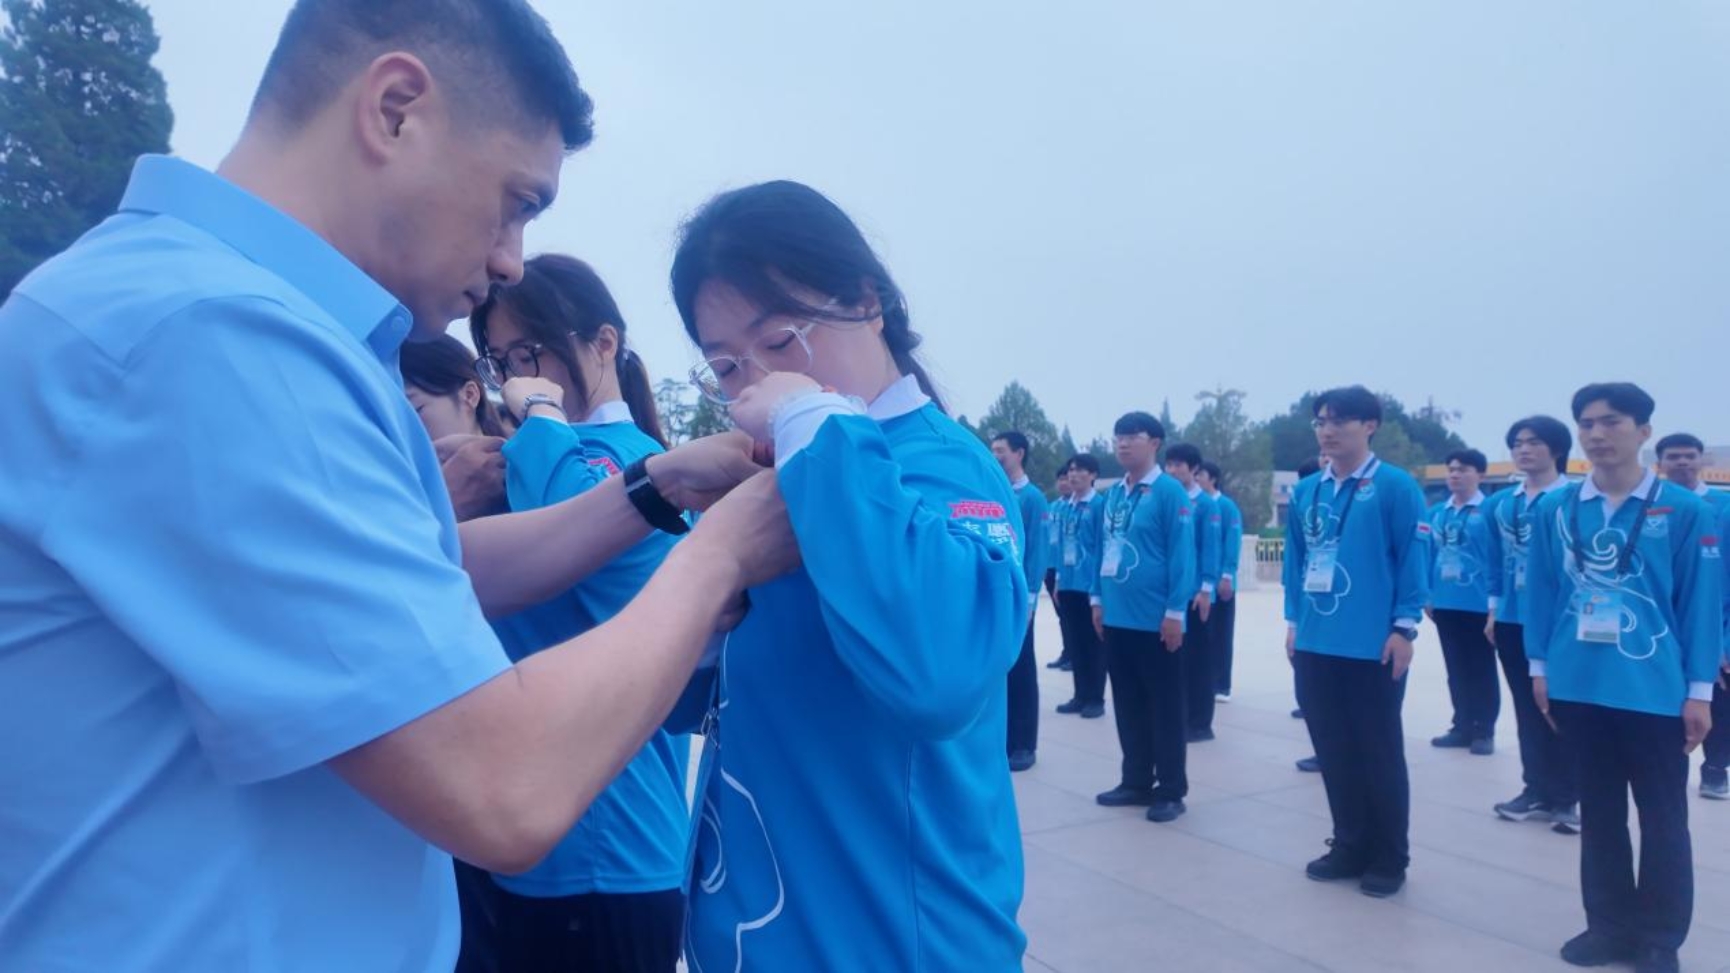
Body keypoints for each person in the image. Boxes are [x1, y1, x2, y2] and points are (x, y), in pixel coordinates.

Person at [0, 4, 799, 969]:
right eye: (516, 201)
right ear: (394, 109)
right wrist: (721, 555)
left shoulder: (200, 311)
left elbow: (432, 569)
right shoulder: (209, 336)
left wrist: (654, 485)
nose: (509, 258)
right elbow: (500, 783)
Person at [669, 180, 1029, 970]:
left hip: (888, 940)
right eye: (725, 365)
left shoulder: (941, 467)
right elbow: (689, 700)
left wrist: (810, 417)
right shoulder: (776, 479)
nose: (757, 385)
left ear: (868, 301)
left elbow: (938, 676)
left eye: (781, 340)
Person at [455, 253, 691, 973]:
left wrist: (541, 411)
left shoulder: (631, 462)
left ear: (604, 343)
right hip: (532, 839)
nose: (513, 377)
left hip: (608, 848)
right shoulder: (537, 454)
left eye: (529, 352)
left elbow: (576, 521)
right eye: (500, 360)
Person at [1526, 383, 1723, 973]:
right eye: (1586, 423)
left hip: (1655, 692)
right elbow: (1540, 592)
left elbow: (1701, 606)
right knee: (1600, 813)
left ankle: (1659, 937)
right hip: (1578, 687)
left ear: (1643, 432)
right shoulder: (1556, 508)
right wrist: (1540, 668)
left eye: (1611, 422)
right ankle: (1607, 927)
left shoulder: (1685, 510)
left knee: (1663, 818)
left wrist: (1699, 692)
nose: (1596, 434)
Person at [1284, 386, 1428, 898]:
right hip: (1316, 641)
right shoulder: (1306, 491)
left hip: (1373, 645)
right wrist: (1293, 622)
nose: (1327, 430)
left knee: (1378, 752)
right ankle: (1349, 843)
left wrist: (1404, 627)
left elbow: (1413, 558)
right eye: (1321, 421)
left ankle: (1390, 856)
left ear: (1369, 426)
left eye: (1339, 421)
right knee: (1334, 750)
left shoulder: (1395, 486)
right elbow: (1296, 562)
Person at [1091, 412, 1198, 824]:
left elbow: (1182, 555)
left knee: (1165, 708)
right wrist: (1097, 600)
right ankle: (1135, 780)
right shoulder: (1113, 495)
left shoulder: (1170, 493)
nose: (1122, 443)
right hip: (1117, 618)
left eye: (1131, 436)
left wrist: (1175, 612)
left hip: (1156, 622)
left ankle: (1170, 789)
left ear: (1154, 442)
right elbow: (1102, 548)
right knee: (1128, 704)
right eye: (1117, 436)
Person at [1484, 416, 1581, 833]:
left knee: (1561, 707)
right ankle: (1536, 788)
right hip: (1512, 620)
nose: (1524, 450)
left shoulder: (1573, 499)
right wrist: (1493, 610)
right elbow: (1493, 561)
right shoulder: (1502, 503)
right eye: (1517, 443)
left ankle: (1568, 796)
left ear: (1557, 449)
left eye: (1534, 442)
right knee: (1526, 707)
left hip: (1561, 622)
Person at [1655, 432, 1730, 799]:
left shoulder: (1723, 506)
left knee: (1719, 695)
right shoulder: (1652, 506)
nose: (1682, 462)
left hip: (1718, 616)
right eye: (1673, 456)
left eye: (1689, 455)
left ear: (1703, 460)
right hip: (1665, 619)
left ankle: (1715, 767)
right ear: (1660, 464)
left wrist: (1723, 640)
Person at [1425, 448, 1498, 756]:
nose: (1455, 474)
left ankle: (1484, 730)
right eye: (1451, 469)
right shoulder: (1437, 513)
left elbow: (1497, 557)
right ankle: (1462, 725)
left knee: (1481, 667)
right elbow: (1428, 555)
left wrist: (1495, 604)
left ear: (1480, 474)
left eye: (1463, 469)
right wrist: (1427, 595)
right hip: (1445, 601)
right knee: (1455, 667)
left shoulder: (1490, 511)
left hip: (1479, 603)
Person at [402, 334, 510, 521]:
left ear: (469, 395)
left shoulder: (529, 472)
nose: (401, 432)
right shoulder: (399, 495)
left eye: (415, 411)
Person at [992, 430, 1050, 772]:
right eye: (992, 449)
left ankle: (1025, 744)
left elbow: (1038, 551)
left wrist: (1028, 600)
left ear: (1019, 454)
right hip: (996, 596)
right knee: (1001, 670)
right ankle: (1004, 739)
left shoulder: (1032, 498)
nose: (995, 455)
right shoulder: (994, 491)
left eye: (1001, 450)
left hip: (1019, 600)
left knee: (1022, 670)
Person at [1164, 443, 1222, 742]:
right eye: (1169, 465)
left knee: (1198, 660)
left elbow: (1210, 548)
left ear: (1194, 469)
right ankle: (1181, 716)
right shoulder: (1168, 499)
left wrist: (1206, 588)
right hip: (1173, 592)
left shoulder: (1206, 505)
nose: (1172, 470)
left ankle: (1200, 723)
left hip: (1196, 594)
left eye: (1178, 465)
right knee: (1178, 660)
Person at [1055, 455, 1108, 719]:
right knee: (1075, 642)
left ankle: (1095, 698)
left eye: (1079, 470)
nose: (1073, 475)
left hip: (1089, 584)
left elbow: (1103, 546)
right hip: (1068, 583)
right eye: (1071, 470)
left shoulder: (1099, 505)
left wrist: (1100, 589)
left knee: (1093, 644)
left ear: (1093, 475)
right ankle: (1080, 695)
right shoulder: (1066, 507)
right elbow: (1061, 545)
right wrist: (1058, 580)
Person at [1199, 461, 1243, 703]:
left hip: (1220, 583)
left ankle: (1221, 685)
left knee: (1221, 634)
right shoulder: (1194, 504)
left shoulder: (1226, 506)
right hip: (1199, 583)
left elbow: (1232, 541)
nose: (1196, 478)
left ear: (1213, 479)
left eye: (1201, 474)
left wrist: (1227, 575)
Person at [1046, 470, 1076, 670]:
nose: (1063, 483)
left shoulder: (1075, 507)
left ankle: (1076, 655)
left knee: (1072, 616)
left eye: (1066, 479)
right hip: (1051, 565)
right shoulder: (1053, 507)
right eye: (1060, 480)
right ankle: (1067, 652)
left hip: (1068, 567)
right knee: (1061, 615)